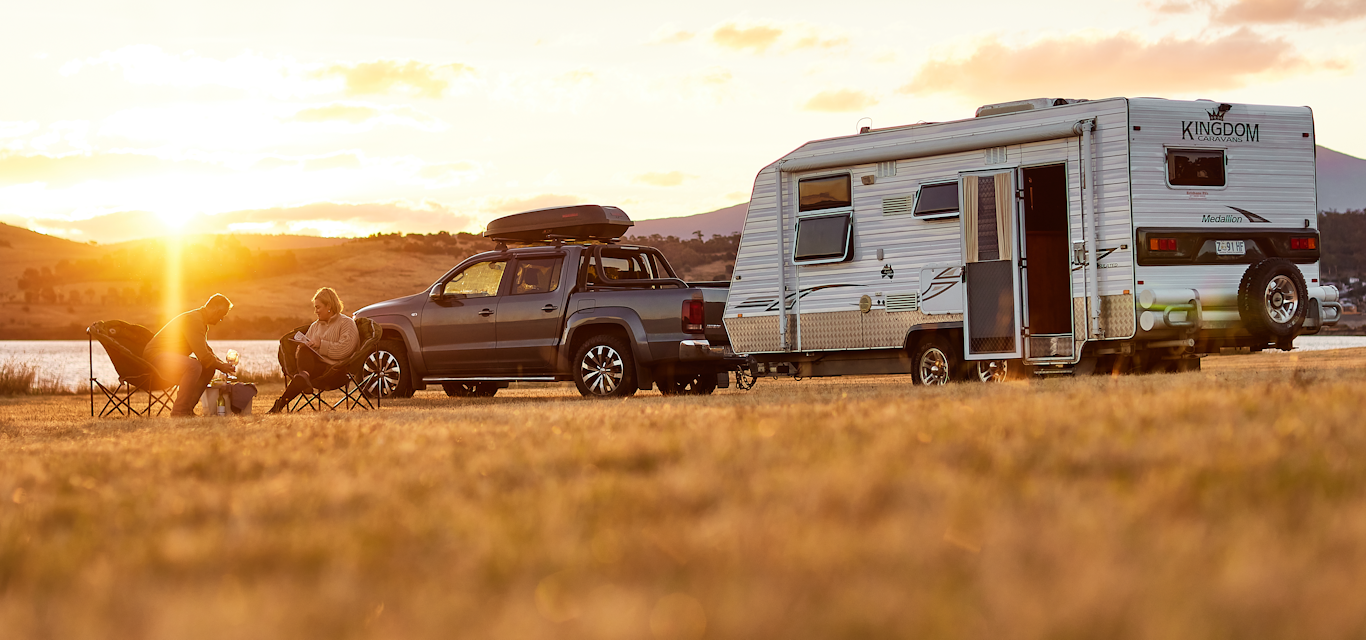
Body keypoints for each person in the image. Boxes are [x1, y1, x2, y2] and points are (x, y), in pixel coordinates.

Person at [144, 294, 237, 417]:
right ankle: (179, 410)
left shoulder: (200, 320)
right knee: (194, 366)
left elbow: (206, 350)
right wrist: (221, 366)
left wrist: (221, 364)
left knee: (208, 368)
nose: (221, 319)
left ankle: (187, 409)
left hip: (169, 357)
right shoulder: (194, 320)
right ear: (216, 310)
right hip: (156, 357)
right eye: (222, 315)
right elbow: (203, 356)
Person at [268, 287, 359, 413]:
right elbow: (303, 355)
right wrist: (300, 348)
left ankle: (280, 403)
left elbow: (344, 349)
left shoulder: (346, 323)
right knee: (304, 353)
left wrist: (320, 344)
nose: (315, 311)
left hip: (336, 371)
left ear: (329, 306)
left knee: (303, 373)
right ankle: (302, 378)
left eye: (318, 307)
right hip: (314, 370)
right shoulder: (315, 326)